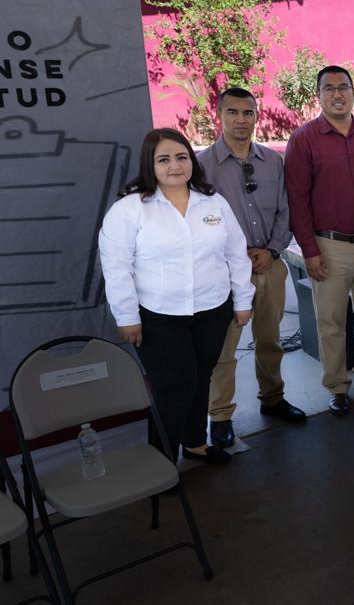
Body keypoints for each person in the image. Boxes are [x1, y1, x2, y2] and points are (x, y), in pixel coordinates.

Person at [99, 128, 253, 465]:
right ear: (150, 165)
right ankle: (161, 461)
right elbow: (117, 267)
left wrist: (243, 301)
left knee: (200, 379)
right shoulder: (130, 210)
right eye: (164, 159)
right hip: (159, 317)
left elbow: (236, 254)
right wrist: (127, 317)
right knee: (174, 388)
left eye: (182, 157)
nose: (174, 166)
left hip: (212, 310)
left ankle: (195, 444)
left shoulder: (213, 202)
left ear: (192, 161)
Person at [284, 65, 354, 418]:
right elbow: (297, 200)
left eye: (343, 87)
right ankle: (336, 386)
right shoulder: (304, 139)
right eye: (329, 88)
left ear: (353, 92)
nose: (337, 94)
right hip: (328, 246)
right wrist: (309, 250)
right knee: (331, 321)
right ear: (318, 95)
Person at [197, 87, 302, 451]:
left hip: (269, 265)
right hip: (226, 273)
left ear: (256, 116)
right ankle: (220, 417)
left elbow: (286, 211)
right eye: (233, 112)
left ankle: (273, 399)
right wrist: (237, 256)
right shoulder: (202, 166)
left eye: (248, 113)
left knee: (270, 340)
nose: (241, 120)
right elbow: (198, 222)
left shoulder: (273, 161)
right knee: (224, 349)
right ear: (219, 116)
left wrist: (272, 251)